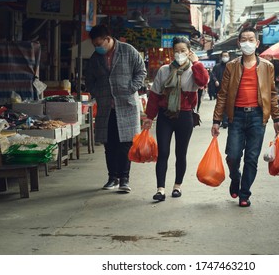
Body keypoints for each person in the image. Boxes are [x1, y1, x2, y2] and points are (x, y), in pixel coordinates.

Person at [211, 27, 279, 207]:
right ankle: (235, 178)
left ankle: (245, 194)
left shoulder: (267, 67)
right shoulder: (231, 66)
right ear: (239, 43)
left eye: (251, 39)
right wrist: (216, 120)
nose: (247, 43)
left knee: (251, 157)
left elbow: (272, 94)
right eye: (244, 39)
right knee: (233, 156)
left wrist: (277, 119)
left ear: (257, 43)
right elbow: (223, 94)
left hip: (258, 117)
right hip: (236, 116)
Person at [142, 37, 208, 201]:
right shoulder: (164, 70)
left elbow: (203, 81)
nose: (179, 54)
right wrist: (149, 117)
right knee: (163, 152)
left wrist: (197, 62)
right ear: (172, 52)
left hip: (185, 116)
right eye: (176, 51)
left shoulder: (194, 70)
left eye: (183, 51)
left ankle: (177, 186)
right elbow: (155, 96)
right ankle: (160, 189)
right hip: (165, 115)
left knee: (181, 153)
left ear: (189, 52)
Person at [85, 24, 147, 193]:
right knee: (109, 144)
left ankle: (124, 179)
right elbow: (89, 80)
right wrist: (97, 92)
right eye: (95, 45)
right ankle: (112, 178)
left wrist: (132, 88)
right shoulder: (95, 58)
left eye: (100, 44)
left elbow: (141, 71)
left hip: (126, 105)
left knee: (125, 143)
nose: (98, 48)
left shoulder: (128, 50)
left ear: (108, 39)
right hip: (106, 107)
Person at [210, 51, 230, 128]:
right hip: (220, 89)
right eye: (224, 56)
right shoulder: (217, 66)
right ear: (221, 57)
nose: (225, 57)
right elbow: (213, 74)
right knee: (221, 105)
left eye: (226, 56)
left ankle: (226, 120)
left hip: (229, 89)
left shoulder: (231, 66)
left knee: (228, 105)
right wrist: (216, 81)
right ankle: (220, 120)